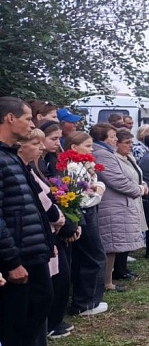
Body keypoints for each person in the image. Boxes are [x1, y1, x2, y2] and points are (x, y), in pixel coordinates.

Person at [0, 97, 58, 346]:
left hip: (33, 252)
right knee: (16, 324)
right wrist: (11, 261)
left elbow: (30, 205)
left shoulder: (11, 156)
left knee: (40, 306)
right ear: (10, 118)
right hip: (18, 257)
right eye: (26, 118)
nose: (31, 123)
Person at [17, 127, 69, 339]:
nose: (41, 148)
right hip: (33, 238)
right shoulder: (20, 169)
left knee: (49, 289)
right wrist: (60, 219)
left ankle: (48, 326)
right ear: (20, 147)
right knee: (39, 296)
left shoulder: (29, 169)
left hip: (43, 235)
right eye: (36, 144)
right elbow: (42, 201)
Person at [91, 124, 145, 293]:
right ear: (103, 139)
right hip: (111, 206)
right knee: (110, 246)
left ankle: (108, 281)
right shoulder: (103, 154)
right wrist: (139, 190)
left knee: (112, 247)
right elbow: (117, 180)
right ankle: (106, 283)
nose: (115, 139)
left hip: (117, 205)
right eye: (113, 136)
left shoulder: (106, 153)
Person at [64, 131, 109, 316]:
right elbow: (82, 197)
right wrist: (98, 193)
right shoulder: (73, 167)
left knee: (89, 256)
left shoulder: (84, 165)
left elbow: (96, 183)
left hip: (89, 211)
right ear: (74, 148)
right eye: (88, 146)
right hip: (85, 212)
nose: (92, 150)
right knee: (94, 256)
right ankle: (86, 302)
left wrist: (98, 188)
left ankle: (85, 299)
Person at [112, 129, 147, 281]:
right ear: (117, 144)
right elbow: (123, 180)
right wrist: (138, 188)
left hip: (136, 197)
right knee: (123, 235)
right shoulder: (115, 159)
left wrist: (143, 183)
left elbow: (137, 174)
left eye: (131, 143)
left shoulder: (130, 157)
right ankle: (119, 270)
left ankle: (124, 267)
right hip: (124, 200)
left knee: (131, 232)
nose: (130, 146)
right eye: (127, 143)